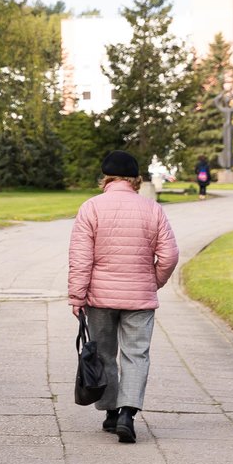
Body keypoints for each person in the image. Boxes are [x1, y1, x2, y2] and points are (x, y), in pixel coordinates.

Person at [67, 150, 180, 443]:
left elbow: (81, 258)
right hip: (139, 297)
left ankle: (111, 413)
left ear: (106, 178)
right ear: (136, 179)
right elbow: (169, 255)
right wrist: (153, 281)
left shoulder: (91, 208)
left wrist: (77, 296)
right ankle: (128, 414)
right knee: (136, 353)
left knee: (104, 354)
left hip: (100, 298)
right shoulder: (152, 209)